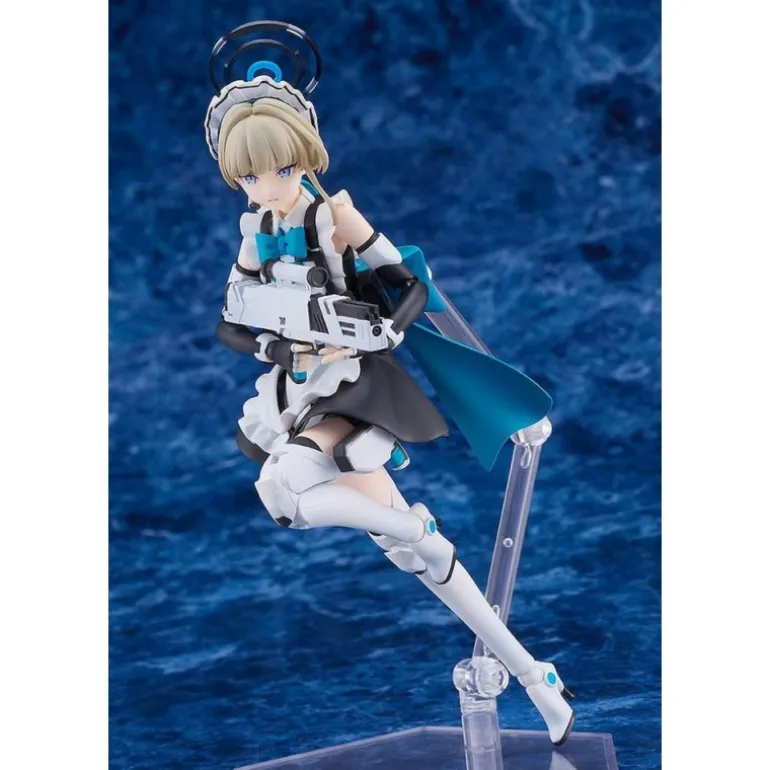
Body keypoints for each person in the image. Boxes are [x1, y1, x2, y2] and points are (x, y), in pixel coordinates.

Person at [206, 63, 575, 745]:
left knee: (284, 491)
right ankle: (534, 676)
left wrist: (384, 331)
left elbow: (407, 286)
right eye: (251, 175)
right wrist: (275, 347)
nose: (268, 185)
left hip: (351, 381)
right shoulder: (255, 231)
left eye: (281, 169)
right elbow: (231, 322)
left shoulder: (334, 216)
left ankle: (414, 528)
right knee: (414, 557)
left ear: (304, 159)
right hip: (295, 387)